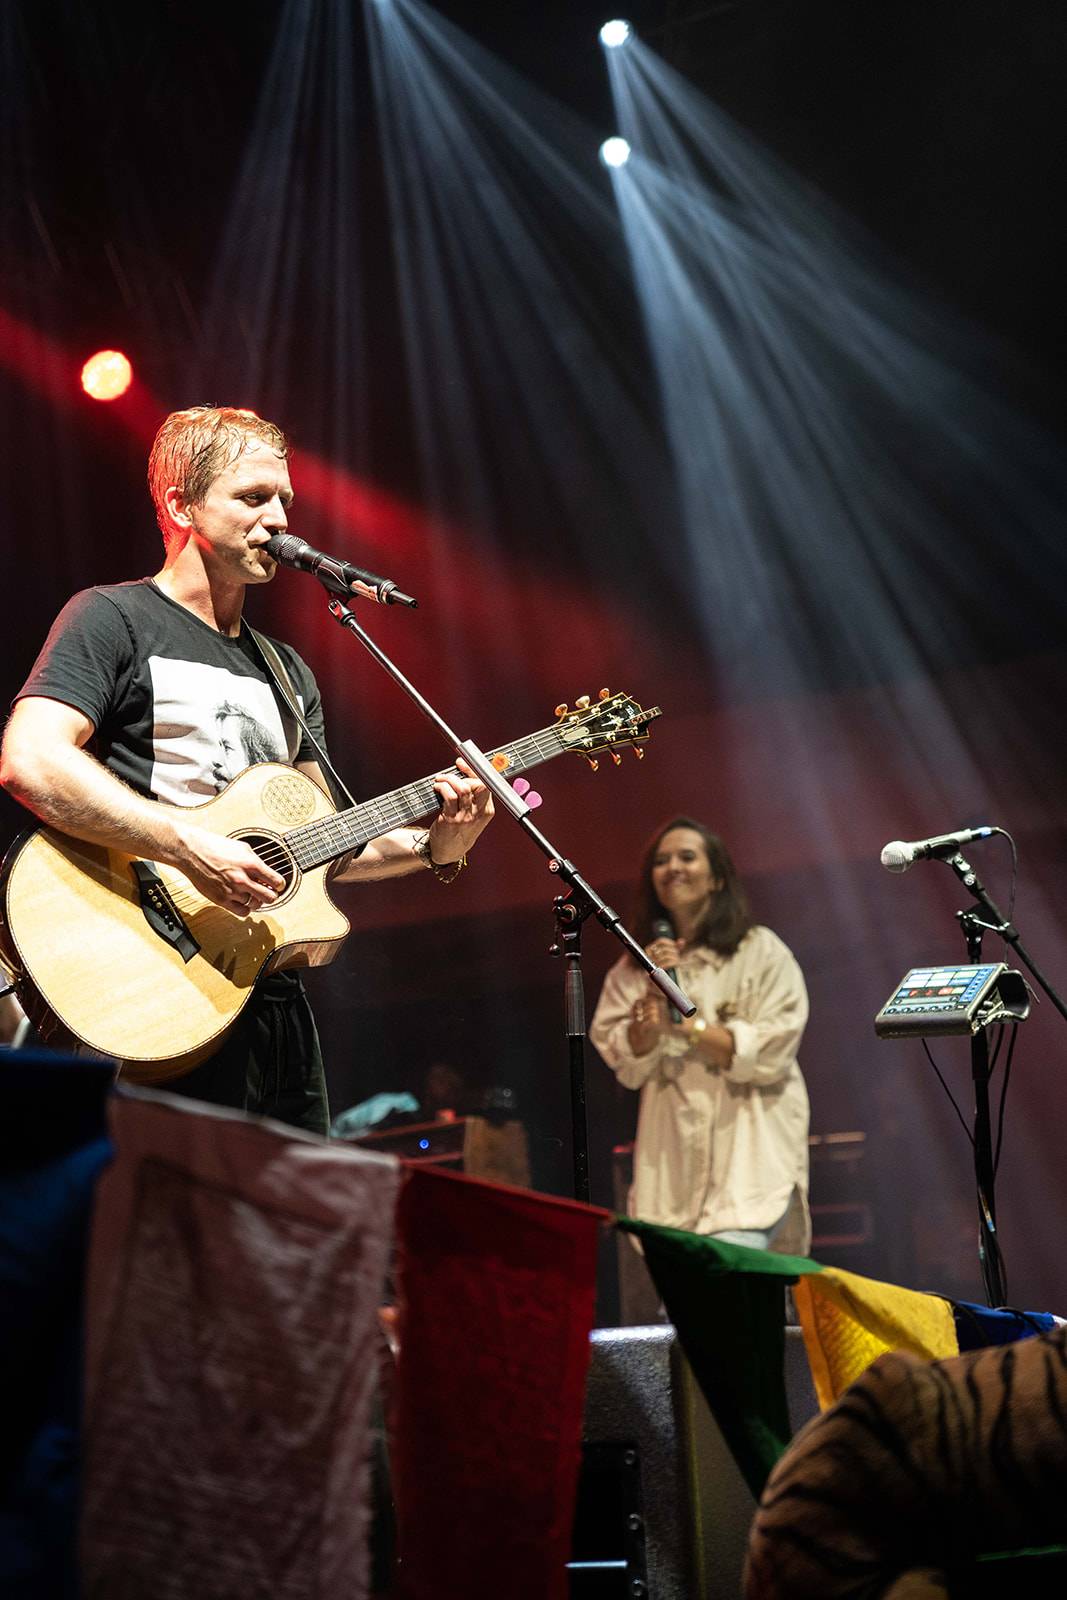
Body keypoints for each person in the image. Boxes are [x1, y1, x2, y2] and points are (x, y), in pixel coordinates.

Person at [0, 405, 494, 1134]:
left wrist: (436, 848)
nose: (279, 520)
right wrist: (188, 846)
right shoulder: (111, 618)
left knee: (287, 1231)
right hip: (148, 972)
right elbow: (30, 760)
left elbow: (323, 844)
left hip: (266, 992)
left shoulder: (287, 672)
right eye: (253, 499)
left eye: (285, 501)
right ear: (180, 505)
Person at [590, 817, 810, 1253]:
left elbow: (772, 1050)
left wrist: (689, 1028)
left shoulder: (760, 950)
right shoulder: (633, 969)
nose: (672, 867)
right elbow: (625, 1062)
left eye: (687, 857)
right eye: (661, 860)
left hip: (749, 1164)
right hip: (671, 1168)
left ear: (717, 878)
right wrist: (646, 1024)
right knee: (686, 1303)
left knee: (734, 1281)